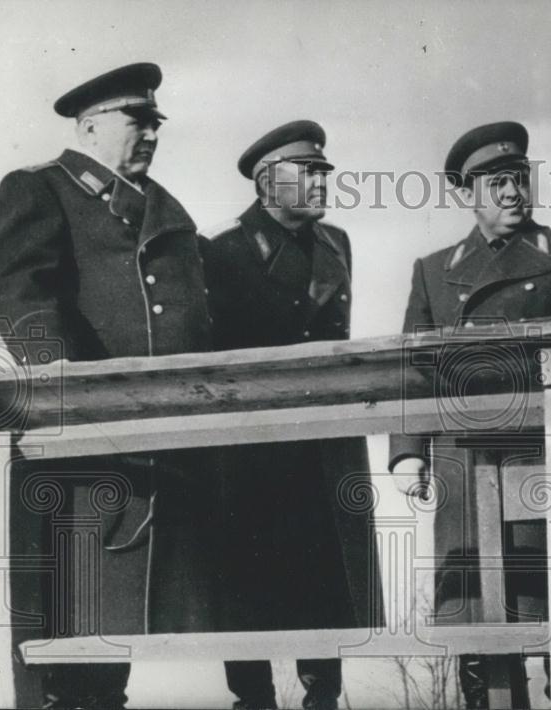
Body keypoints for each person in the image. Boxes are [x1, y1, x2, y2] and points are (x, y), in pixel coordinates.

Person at [0, 62, 218, 709]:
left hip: (166, 444)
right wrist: (70, 390)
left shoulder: (164, 208)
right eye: (135, 121)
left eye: (155, 124)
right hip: (87, 446)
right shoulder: (42, 189)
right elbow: (20, 289)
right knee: (79, 628)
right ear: (89, 126)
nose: (149, 135)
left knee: (132, 633)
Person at [389, 121, 551, 709]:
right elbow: (416, 368)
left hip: (550, 454)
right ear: (469, 194)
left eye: (519, 177)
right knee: (477, 618)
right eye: (497, 183)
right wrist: (408, 451)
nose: (514, 192)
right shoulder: (433, 269)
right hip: (462, 464)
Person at [202, 120, 383, 710]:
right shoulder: (220, 250)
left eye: (324, 171)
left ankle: (322, 697)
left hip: (326, 446)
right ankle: (251, 700)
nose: (321, 181)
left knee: (329, 581)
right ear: (265, 182)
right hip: (251, 449)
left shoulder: (337, 245)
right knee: (245, 585)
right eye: (307, 172)